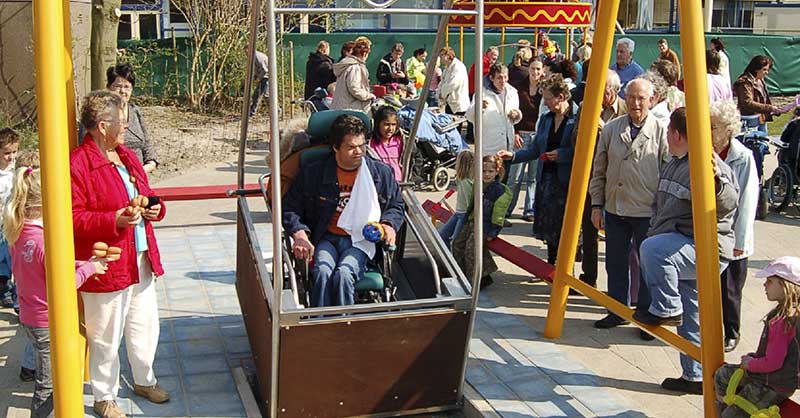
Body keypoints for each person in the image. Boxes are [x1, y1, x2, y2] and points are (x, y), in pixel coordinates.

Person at [72, 90, 169, 418]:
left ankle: (144, 379)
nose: (127, 126)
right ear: (102, 126)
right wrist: (113, 219)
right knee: (105, 334)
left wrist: (156, 209)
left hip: (140, 257)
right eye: (121, 121)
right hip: (107, 262)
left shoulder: (126, 155)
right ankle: (104, 396)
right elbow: (71, 218)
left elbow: (149, 195)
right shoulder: (78, 164)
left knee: (145, 324)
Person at [634, 107, 739, 395]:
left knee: (653, 250)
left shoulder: (708, 164)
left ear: (678, 134)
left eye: (668, 130)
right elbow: (660, 202)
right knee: (692, 312)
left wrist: (716, 182)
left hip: (705, 248)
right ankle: (694, 376)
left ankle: (667, 308)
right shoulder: (674, 162)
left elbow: (729, 200)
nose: (665, 135)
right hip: (682, 244)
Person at [4, 155, 109, 418]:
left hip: (30, 316)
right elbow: (62, 286)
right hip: (47, 320)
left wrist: (78, 262)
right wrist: (90, 268)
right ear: (47, 203)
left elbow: (42, 269)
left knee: (47, 373)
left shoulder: (19, 232)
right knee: (49, 384)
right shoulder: (45, 242)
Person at [282, 114, 404, 307]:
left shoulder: (380, 173)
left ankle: (344, 326)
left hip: (362, 240)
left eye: (362, 145)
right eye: (351, 147)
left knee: (344, 274)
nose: (358, 152)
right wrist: (299, 234)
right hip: (325, 237)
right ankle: (320, 323)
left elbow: (396, 206)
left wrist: (389, 225)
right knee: (322, 272)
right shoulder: (314, 172)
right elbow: (290, 208)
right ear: (336, 147)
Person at [589, 78, 670, 333]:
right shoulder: (611, 129)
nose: (636, 103)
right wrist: (596, 205)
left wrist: (664, 213)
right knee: (615, 262)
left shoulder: (661, 131)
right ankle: (616, 310)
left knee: (648, 265)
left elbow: (668, 173)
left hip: (648, 212)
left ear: (652, 100)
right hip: (615, 209)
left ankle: (646, 315)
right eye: (632, 97)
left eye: (641, 98)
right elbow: (599, 170)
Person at [498, 74, 577, 265]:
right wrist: (514, 156)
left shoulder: (577, 118)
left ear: (561, 97)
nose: (546, 102)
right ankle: (551, 266)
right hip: (546, 180)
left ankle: (567, 270)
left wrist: (562, 155)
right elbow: (535, 149)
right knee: (549, 227)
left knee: (566, 228)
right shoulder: (546, 119)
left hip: (566, 182)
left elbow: (581, 150)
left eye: (549, 98)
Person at [714, 256, 800, 417]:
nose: (764, 285)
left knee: (730, 413)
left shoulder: (783, 321)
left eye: (770, 281)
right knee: (723, 374)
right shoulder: (786, 315)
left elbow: (774, 362)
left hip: (773, 384)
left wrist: (751, 364)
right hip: (773, 378)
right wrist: (755, 358)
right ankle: (725, 406)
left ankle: (728, 411)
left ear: (786, 286)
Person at [710, 100, 759, 353]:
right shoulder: (706, 152)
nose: (709, 131)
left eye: (714, 126)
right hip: (712, 230)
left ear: (728, 129)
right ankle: (710, 328)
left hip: (734, 234)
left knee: (730, 288)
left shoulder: (743, 157)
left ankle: (731, 332)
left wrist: (740, 241)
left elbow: (748, 202)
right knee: (711, 285)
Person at [571, 69, 627, 290]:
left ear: (614, 91)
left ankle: (617, 286)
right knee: (587, 226)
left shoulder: (625, 110)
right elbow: (574, 139)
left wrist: (605, 131)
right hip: (590, 176)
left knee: (615, 233)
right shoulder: (587, 106)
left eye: (603, 91)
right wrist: (586, 129)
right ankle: (589, 275)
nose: (598, 96)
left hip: (616, 179)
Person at [452, 154, 511, 289]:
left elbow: (499, 213)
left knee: (471, 250)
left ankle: (474, 281)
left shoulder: (500, 190)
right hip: (473, 220)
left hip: (485, 225)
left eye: (491, 171)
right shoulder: (478, 185)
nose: (487, 174)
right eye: (483, 171)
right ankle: (463, 274)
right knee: (457, 244)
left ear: (497, 171)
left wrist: (494, 230)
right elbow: (472, 203)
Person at [466, 63, 522, 181]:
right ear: (491, 78)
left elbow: (515, 116)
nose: (503, 81)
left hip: (507, 147)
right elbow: (470, 117)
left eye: (505, 77)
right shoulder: (481, 93)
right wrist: (479, 107)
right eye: (499, 77)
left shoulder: (512, 92)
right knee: (489, 184)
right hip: (489, 148)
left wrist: (516, 115)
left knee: (503, 184)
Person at [506, 57, 544, 222]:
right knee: (514, 176)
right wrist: (514, 132)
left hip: (537, 136)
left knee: (533, 177)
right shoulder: (519, 87)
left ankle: (529, 210)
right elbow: (512, 111)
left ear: (542, 71)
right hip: (520, 134)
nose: (535, 72)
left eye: (538, 69)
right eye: (533, 68)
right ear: (528, 69)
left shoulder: (545, 89)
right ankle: (506, 208)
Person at [106, 64, 158, 173]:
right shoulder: (99, 114)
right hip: (113, 176)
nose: (122, 91)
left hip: (140, 175)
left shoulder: (135, 111)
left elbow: (146, 141)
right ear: (108, 87)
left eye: (127, 87)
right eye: (118, 86)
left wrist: (150, 163)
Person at [733, 55, 781, 133]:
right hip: (749, 120)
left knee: (763, 143)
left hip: (761, 119)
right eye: (764, 70)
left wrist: (775, 109)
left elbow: (763, 100)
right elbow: (747, 102)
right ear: (756, 69)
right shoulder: (744, 82)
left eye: (767, 70)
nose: (766, 73)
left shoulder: (760, 80)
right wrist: (770, 108)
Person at [439, 149, 474, 248]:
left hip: (464, 214)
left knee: (454, 240)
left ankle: (455, 261)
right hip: (459, 212)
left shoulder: (465, 181)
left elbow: (469, 203)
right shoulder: (463, 179)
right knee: (444, 236)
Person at [331, 40, 376, 115]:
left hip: (340, 108)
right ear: (364, 53)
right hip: (350, 111)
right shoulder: (354, 68)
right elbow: (355, 89)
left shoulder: (346, 65)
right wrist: (370, 96)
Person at [0, 127, 18, 308]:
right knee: (2, 255)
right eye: (7, 153)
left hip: (12, 218)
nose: (11, 157)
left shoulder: (16, 171)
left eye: (14, 152)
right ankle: (4, 285)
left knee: (12, 254)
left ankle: (16, 292)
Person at [369, 106, 403, 182]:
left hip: (398, 182)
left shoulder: (400, 141)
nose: (390, 129)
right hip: (380, 183)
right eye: (386, 124)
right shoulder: (371, 143)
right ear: (378, 124)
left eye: (393, 124)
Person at [438, 46, 470, 115]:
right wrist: (439, 93)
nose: (440, 58)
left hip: (458, 104)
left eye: (441, 55)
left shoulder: (458, 66)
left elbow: (452, 84)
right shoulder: (447, 68)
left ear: (448, 55)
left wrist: (442, 94)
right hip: (449, 103)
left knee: (457, 124)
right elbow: (442, 82)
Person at [248, 47, 270, 118]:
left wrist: (258, 78)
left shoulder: (258, 57)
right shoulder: (254, 56)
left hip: (265, 77)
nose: (246, 54)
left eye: (246, 52)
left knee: (256, 95)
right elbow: (257, 68)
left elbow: (265, 70)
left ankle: (252, 113)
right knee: (266, 96)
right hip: (264, 77)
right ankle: (277, 111)